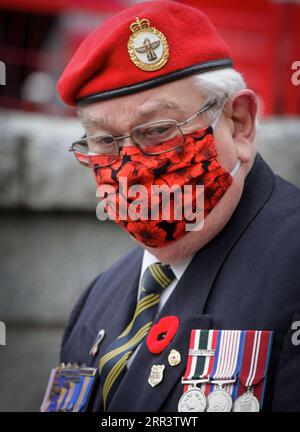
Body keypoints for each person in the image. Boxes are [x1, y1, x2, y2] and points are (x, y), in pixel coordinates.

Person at [54, 0, 300, 412]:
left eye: (158, 131)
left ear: (239, 122)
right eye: (104, 143)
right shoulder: (98, 298)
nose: (128, 171)